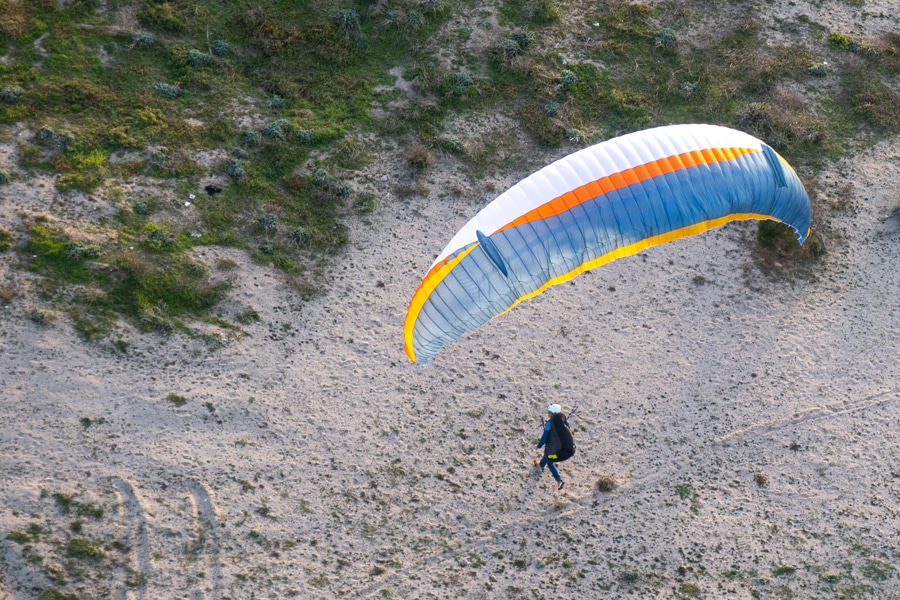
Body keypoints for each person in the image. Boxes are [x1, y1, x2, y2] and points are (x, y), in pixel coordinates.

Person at [534, 403, 573, 490]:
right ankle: (541, 465)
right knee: (547, 455)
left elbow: (545, 437)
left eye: (549, 412)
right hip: (570, 449)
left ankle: (559, 480)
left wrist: (538, 446)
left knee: (550, 460)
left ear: (552, 414)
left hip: (558, 451)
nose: (548, 413)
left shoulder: (549, 424)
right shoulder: (564, 421)